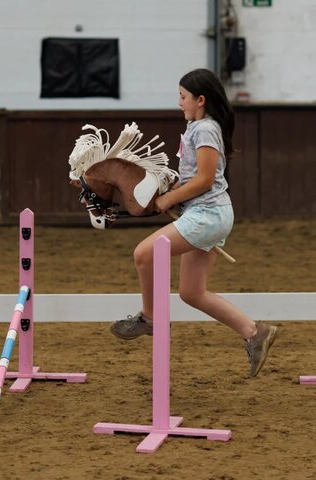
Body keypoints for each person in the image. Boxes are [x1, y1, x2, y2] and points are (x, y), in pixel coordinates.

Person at [110, 68, 278, 377]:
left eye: (183, 96)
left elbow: (203, 180)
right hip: (208, 214)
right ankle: (254, 333)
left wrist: (169, 199)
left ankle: (149, 318)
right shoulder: (198, 128)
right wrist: (170, 192)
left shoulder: (204, 129)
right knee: (191, 292)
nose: (179, 102)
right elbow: (194, 179)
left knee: (143, 254)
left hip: (207, 214)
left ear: (200, 100)